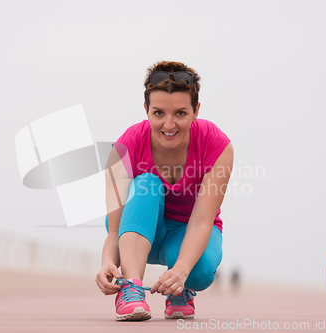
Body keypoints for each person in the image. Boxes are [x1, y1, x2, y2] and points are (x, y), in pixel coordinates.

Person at [95, 61, 233, 321]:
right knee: (146, 183)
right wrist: (107, 262)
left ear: (196, 111)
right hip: (139, 227)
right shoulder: (124, 147)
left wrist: (181, 270)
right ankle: (132, 288)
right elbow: (114, 228)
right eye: (159, 113)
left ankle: (180, 289)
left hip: (189, 230)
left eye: (180, 113)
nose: (169, 125)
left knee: (199, 272)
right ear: (146, 109)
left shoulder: (217, 145)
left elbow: (202, 221)